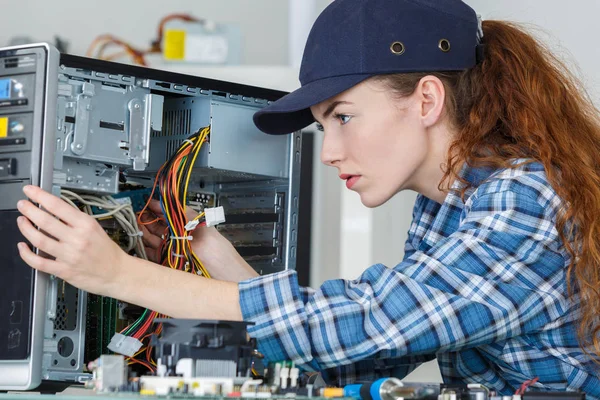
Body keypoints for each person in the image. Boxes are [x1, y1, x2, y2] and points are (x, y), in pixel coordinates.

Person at [15, 0, 600, 396]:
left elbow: (369, 321)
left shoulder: (527, 202)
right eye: (324, 127)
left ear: (426, 100)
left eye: (344, 117)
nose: (329, 152)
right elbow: (364, 355)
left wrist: (118, 275)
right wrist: (203, 245)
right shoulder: (447, 205)